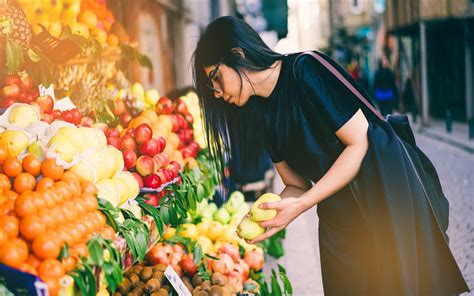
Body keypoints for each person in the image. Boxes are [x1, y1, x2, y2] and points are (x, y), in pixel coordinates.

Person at [192, 16, 469, 295]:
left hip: (383, 199)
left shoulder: (305, 69)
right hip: (339, 222)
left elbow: (358, 144)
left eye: (215, 78)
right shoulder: (262, 115)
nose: (215, 93)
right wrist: (272, 215)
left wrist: (302, 205)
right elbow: (297, 185)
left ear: (237, 54)